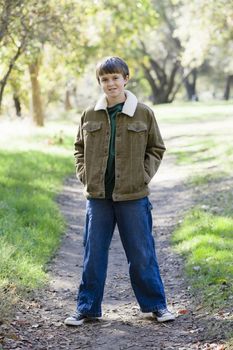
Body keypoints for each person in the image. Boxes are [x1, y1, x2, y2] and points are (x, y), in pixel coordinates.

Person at [64, 56, 175, 326]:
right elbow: (79, 148)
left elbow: (156, 149)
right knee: (93, 255)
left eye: (115, 78)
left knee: (141, 253)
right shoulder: (90, 113)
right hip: (98, 198)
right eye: (105, 79)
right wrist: (84, 174)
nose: (110, 83)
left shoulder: (144, 113)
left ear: (126, 78)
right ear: (100, 83)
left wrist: (143, 175)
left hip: (133, 197)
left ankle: (156, 306)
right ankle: (87, 307)